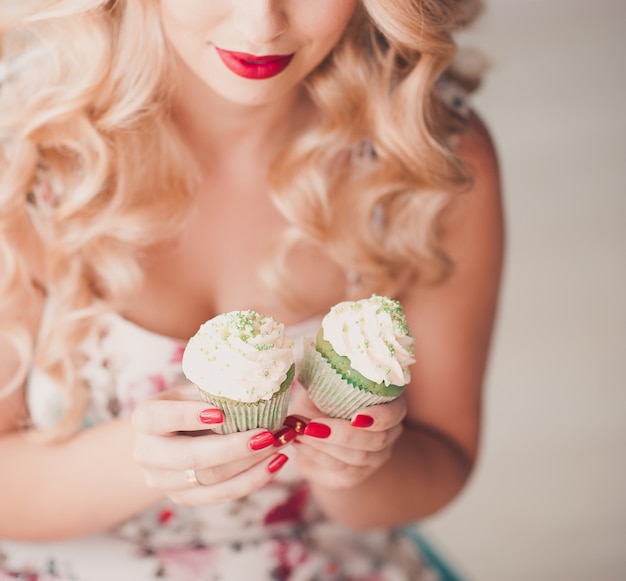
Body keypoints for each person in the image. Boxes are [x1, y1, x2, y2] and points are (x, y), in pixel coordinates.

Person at [0, 0, 504, 579]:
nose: (261, 24)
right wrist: (141, 459)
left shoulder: (431, 157)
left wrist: (358, 469)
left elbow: (443, 461)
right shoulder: (22, 150)